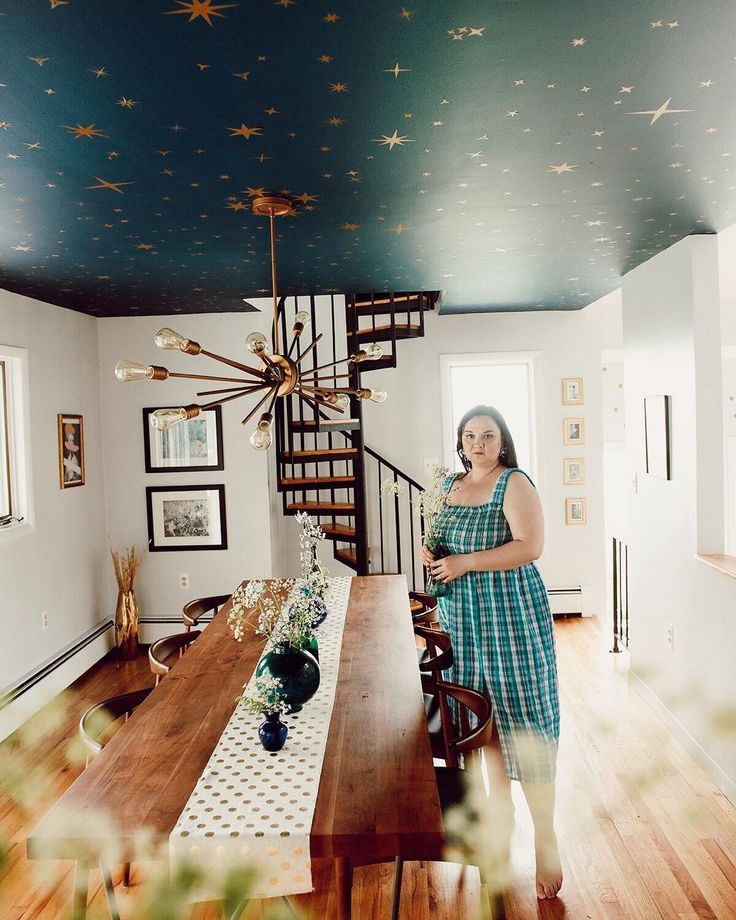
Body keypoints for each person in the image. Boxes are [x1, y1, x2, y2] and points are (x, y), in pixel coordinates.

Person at [421, 405, 562, 900]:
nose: (478, 443)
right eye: (469, 435)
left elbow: (530, 546)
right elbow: (439, 544)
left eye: (488, 435)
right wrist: (434, 556)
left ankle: (546, 839)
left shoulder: (515, 483)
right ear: (460, 443)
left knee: (524, 728)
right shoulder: (447, 487)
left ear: (502, 441)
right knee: (482, 732)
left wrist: (465, 562)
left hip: (513, 620)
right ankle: (499, 831)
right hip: (466, 625)